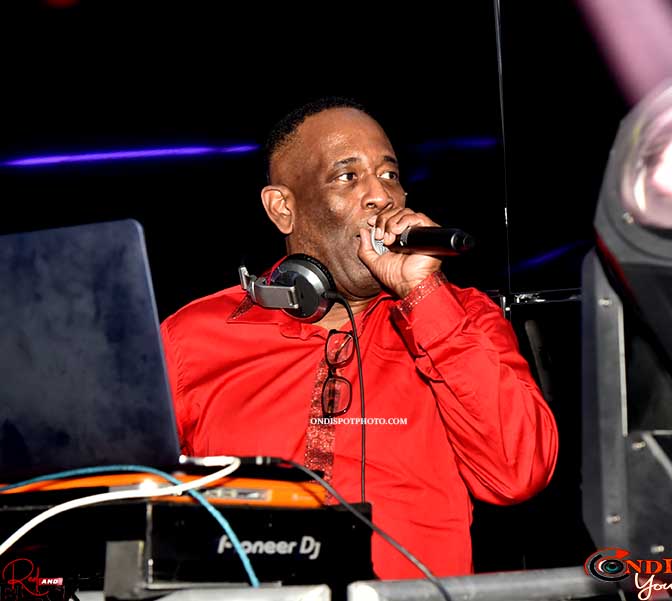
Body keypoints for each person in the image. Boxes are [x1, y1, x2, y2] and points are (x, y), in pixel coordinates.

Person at [160, 97, 559, 579]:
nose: (380, 196)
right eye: (347, 177)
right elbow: (112, 495)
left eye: (389, 175)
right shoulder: (191, 336)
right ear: (283, 208)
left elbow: (518, 474)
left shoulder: (462, 317)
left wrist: (422, 295)